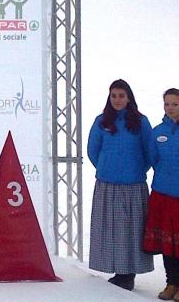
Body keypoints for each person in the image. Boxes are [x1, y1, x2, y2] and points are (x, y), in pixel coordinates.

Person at [87, 79, 153, 290]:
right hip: (107, 184)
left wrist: (135, 170)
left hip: (133, 185)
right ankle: (116, 270)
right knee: (110, 230)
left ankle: (128, 273)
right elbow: (92, 149)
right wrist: (106, 167)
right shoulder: (101, 121)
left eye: (121, 96)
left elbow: (150, 152)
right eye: (113, 96)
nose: (117, 100)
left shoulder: (141, 122)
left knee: (131, 231)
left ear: (129, 98)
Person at [143, 88, 179, 300]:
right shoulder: (157, 132)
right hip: (162, 195)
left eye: (175, 104)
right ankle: (171, 283)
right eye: (167, 104)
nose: (171, 108)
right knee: (168, 244)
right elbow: (153, 159)